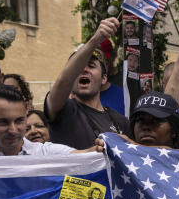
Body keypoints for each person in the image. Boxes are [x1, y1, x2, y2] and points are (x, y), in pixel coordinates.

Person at [45, 18, 128, 150]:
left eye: (91, 66)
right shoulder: (63, 110)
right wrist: (96, 39)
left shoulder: (120, 122)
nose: (84, 69)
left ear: (104, 78)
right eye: (78, 68)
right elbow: (63, 81)